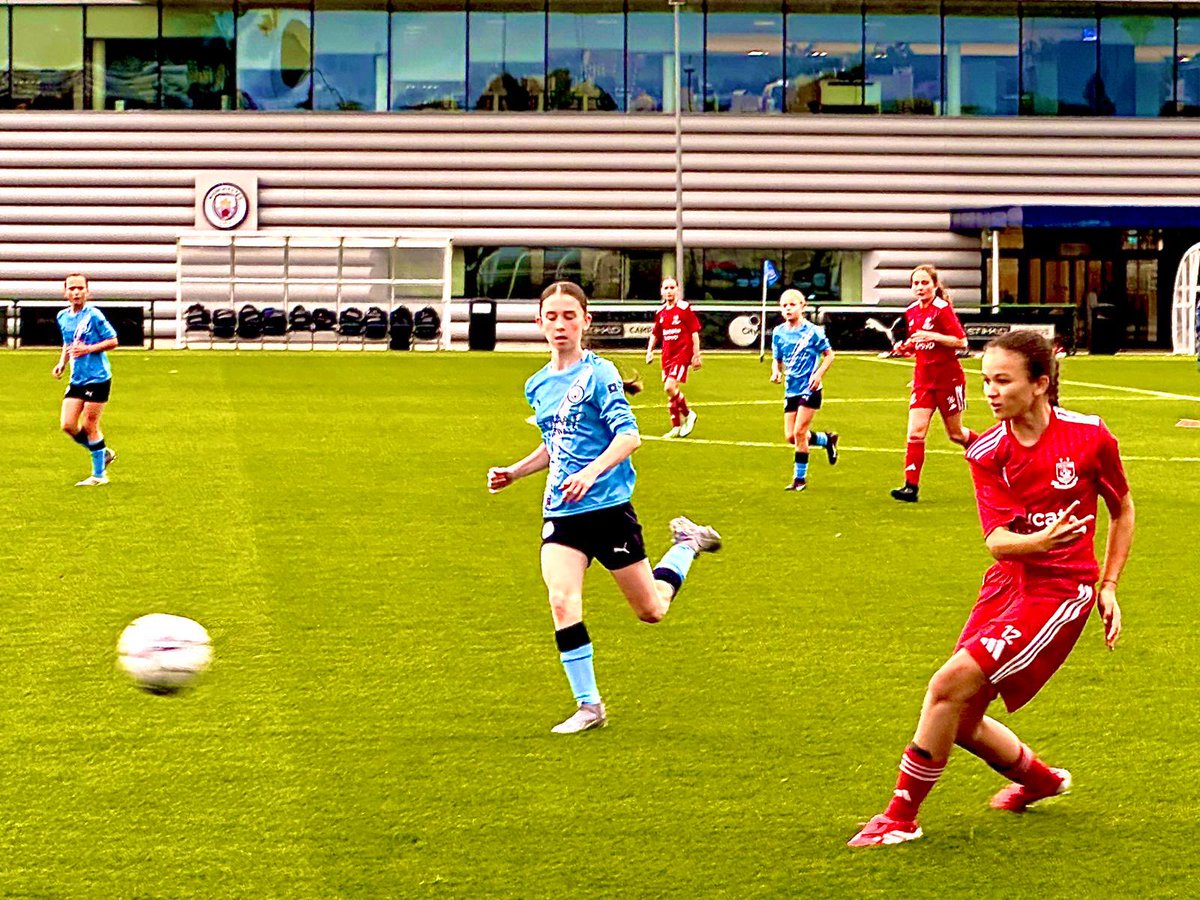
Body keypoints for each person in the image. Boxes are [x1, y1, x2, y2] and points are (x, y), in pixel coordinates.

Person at [848, 329, 1135, 847]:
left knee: (945, 687)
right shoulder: (986, 451)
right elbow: (999, 543)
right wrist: (1040, 539)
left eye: (1003, 380)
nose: (991, 392)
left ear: (1041, 384)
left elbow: (1123, 509)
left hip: (1062, 591)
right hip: (1007, 583)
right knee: (959, 718)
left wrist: (1108, 584)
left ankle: (899, 817)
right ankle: (1042, 781)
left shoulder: (1090, 436)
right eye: (985, 381)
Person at [488, 281, 722, 735]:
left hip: (608, 509)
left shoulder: (600, 373)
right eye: (551, 317)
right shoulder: (536, 384)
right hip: (561, 511)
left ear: (585, 322)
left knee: (651, 610)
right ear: (539, 323)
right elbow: (554, 445)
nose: (560, 325)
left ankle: (687, 545)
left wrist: (590, 473)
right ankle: (589, 705)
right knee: (561, 600)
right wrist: (515, 472)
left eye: (569, 316)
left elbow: (629, 436)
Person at [890, 264, 978, 503]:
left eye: (924, 283)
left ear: (934, 285)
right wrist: (905, 347)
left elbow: (961, 342)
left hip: (948, 380)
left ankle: (992, 453)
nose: (920, 287)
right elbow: (918, 343)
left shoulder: (942, 309)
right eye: (916, 283)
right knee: (915, 433)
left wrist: (934, 336)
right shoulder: (911, 311)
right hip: (923, 381)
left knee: (956, 434)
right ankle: (911, 487)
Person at [53, 273, 118, 486]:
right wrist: (62, 362)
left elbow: (113, 340)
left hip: (98, 377)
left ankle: (99, 476)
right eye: (71, 289)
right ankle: (102, 451)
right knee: (68, 425)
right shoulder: (62, 316)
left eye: (80, 288)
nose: (76, 292)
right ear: (65, 293)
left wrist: (89, 349)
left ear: (87, 291)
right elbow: (67, 342)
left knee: (90, 425)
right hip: (77, 378)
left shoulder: (94, 315)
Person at [770, 289, 839, 491]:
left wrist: (818, 374)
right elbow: (777, 358)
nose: (788, 308)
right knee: (791, 436)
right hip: (791, 389)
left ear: (803, 307)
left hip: (810, 389)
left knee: (800, 431)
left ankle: (799, 479)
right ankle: (827, 440)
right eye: (784, 306)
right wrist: (776, 371)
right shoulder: (778, 333)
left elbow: (829, 355)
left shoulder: (813, 332)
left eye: (792, 304)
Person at [645, 276, 702, 438]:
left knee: (669, 387)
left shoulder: (684, 309)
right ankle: (676, 426)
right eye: (666, 288)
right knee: (672, 391)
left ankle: (689, 414)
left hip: (681, 355)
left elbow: (694, 332)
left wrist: (696, 355)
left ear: (677, 290)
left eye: (672, 288)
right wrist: (650, 351)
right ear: (661, 292)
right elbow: (655, 334)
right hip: (667, 357)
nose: (669, 291)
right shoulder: (660, 312)